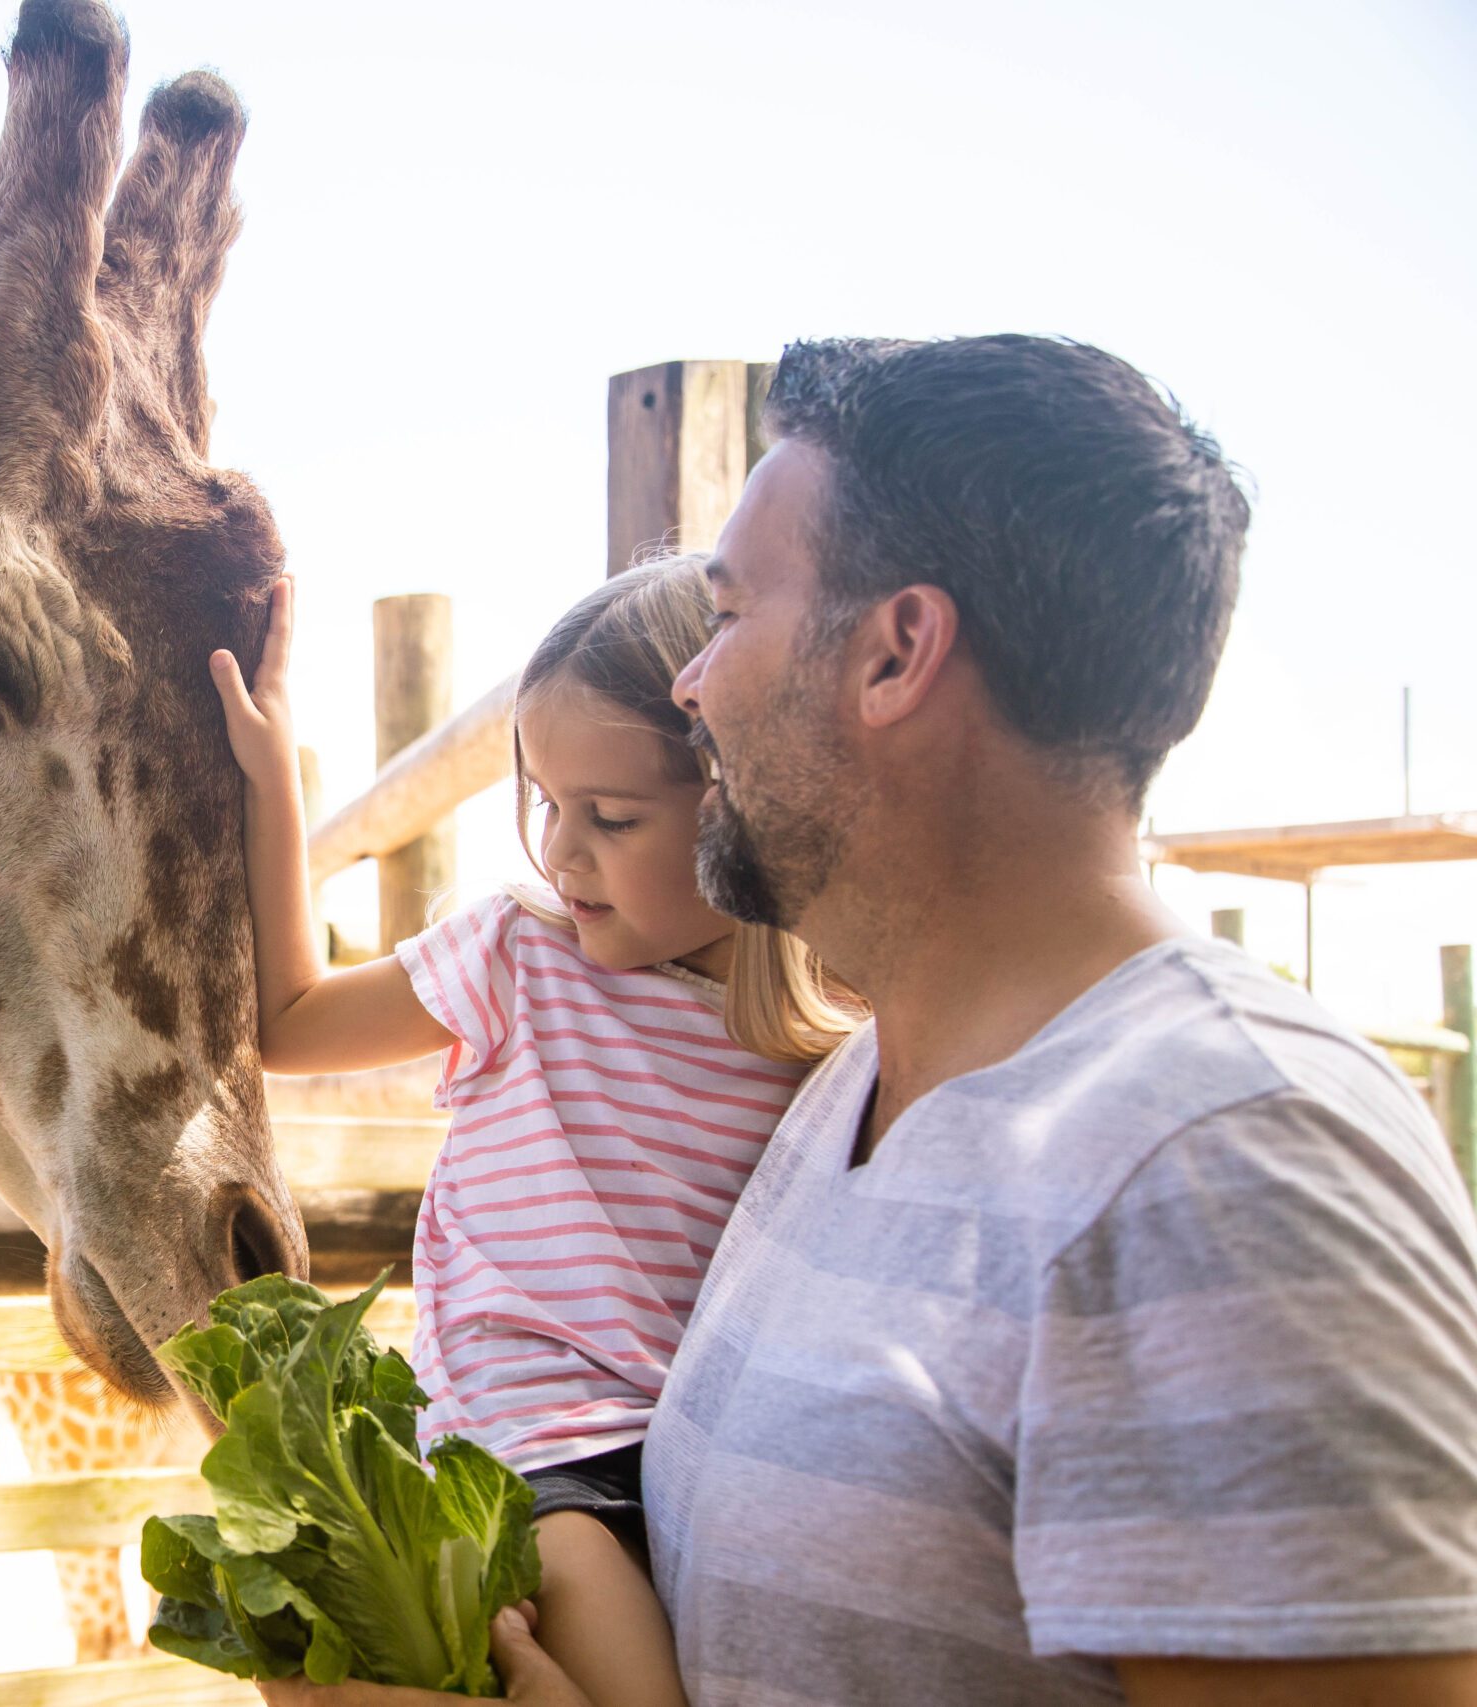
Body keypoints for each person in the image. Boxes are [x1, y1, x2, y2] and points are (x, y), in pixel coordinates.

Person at [264, 334, 1477, 1707]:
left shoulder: (1227, 1159)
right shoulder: (843, 1097)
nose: (688, 683)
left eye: (725, 615)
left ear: (896, 653)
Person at [213, 555, 854, 1707]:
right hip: (515, 1448)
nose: (559, 854)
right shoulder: (519, 954)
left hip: (652, 1461)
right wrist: (273, 783)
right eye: (548, 808)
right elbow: (289, 1021)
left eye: (608, 818)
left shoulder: (825, 1040)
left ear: (741, 802)